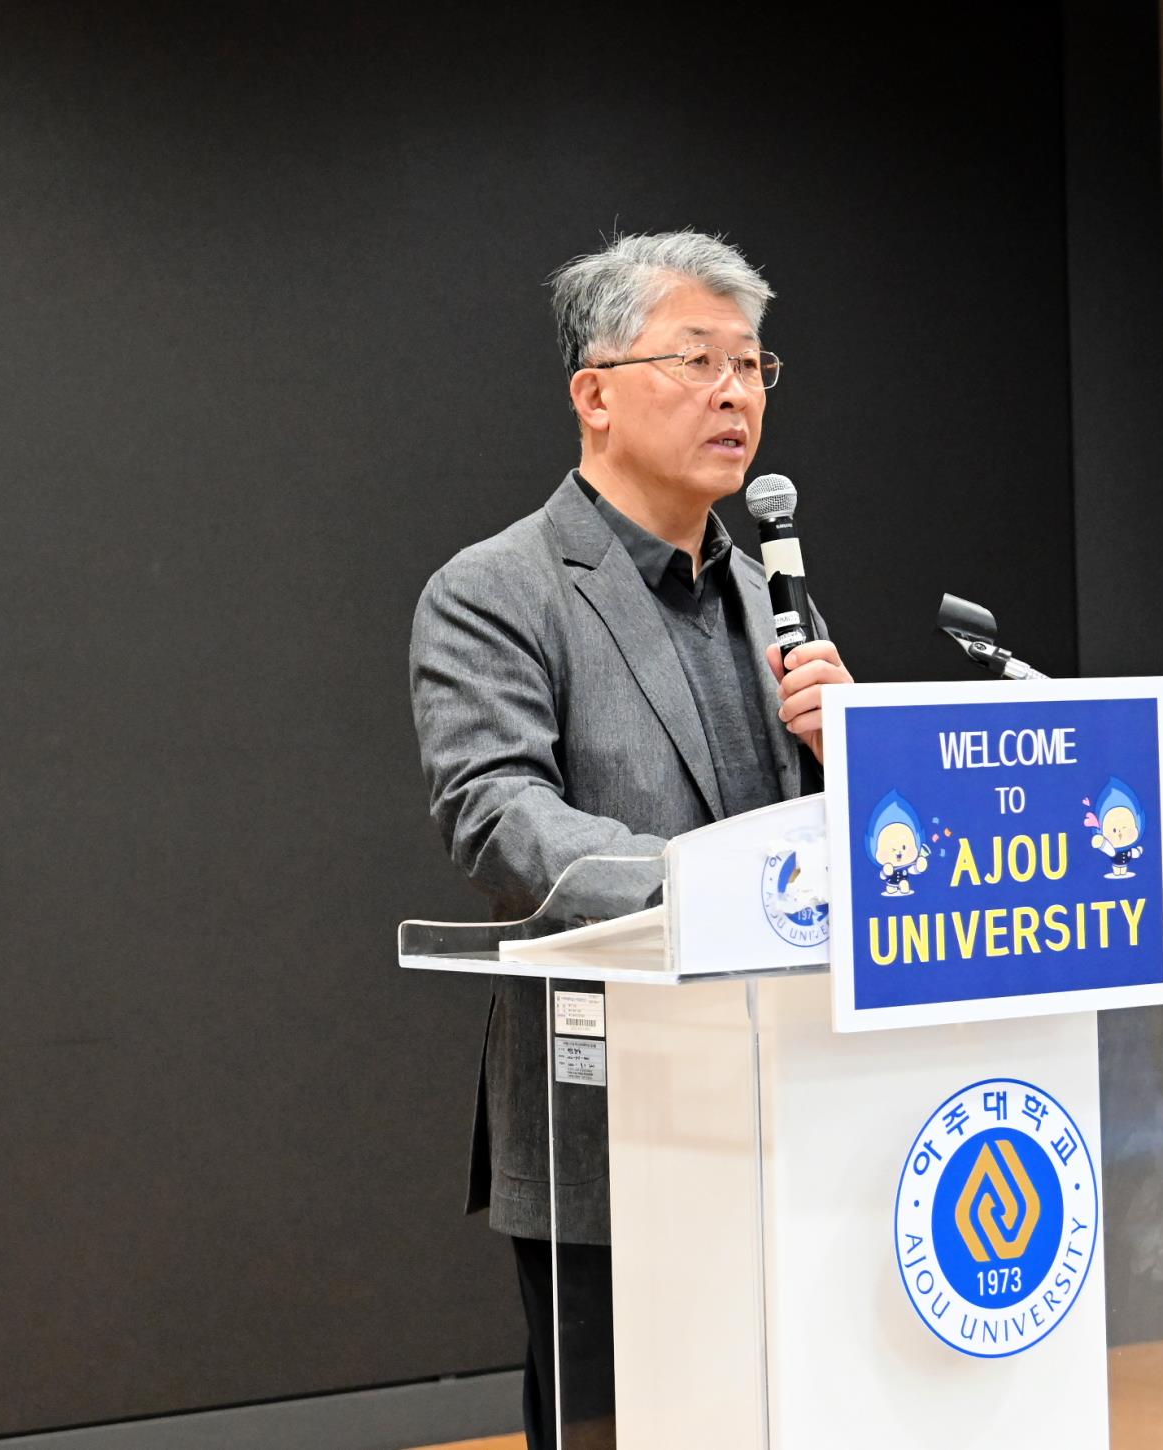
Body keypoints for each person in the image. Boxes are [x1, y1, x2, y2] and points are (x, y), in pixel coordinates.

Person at [407, 230, 853, 1449]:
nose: (733, 392)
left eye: (751, 365)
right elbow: (498, 813)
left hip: (795, 1097)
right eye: (696, 360)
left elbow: (832, 844)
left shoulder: (773, 596)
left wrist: (858, 760)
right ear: (593, 395)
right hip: (611, 1114)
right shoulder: (496, 590)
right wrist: (709, 893)